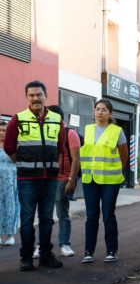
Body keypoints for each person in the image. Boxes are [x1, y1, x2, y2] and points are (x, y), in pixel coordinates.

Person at [3, 81, 65, 271]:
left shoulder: (56, 119)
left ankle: (46, 256)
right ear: (26, 97)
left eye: (39, 94)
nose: (35, 98)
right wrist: (22, 164)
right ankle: (26, 258)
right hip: (27, 179)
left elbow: (60, 146)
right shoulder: (18, 118)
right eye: (31, 95)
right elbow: (9, 146)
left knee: (46, 218)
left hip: (50, 178)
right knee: (28, 218)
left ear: (46, 96)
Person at [80, 99, 128, 263]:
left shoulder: (117, 131)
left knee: (108, 216)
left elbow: (124, 157)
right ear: (94, 112)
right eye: (97, 109)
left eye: (104, 109)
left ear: (110, 113)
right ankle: (88, 251)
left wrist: (117, 173)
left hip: (110, 181)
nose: (100, 112)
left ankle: (112, 250)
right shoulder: (87, 130)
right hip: (90, 179)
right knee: (91, 216)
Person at [47, 105, 80, 257]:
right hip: (46, 179)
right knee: (44, 214)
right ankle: (41, 246)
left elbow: (75, 159)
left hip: (62, 179)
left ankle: (65, 244)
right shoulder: (46, 132)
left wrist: (71, 180)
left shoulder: (70, 133)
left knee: (62, 213)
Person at [0, 121, 20, 246]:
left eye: (4, 131)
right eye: (0, 131)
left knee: (11, 206)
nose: (2, 133)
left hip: (11, 183)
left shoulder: (14, 146)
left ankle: (10, 235)